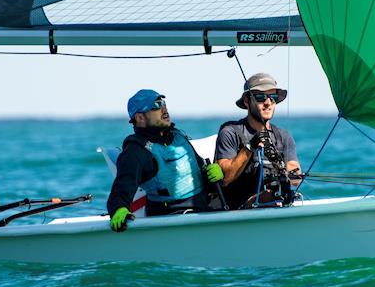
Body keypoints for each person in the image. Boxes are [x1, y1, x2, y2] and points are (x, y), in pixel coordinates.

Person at [107, 89, 224, 232]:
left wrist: (213, 174)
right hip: (170, 221)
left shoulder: (179, 137)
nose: (164, 108)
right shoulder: (136, 151)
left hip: (204, 211)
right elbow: (122, 186)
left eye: (163, 103)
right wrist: (119, 209)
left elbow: (199, 176)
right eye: (156, 105)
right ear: (140, 118)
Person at [214, 73, 301, 210]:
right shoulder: (230, 132)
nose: (268, 103)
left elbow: (295, 178)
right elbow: (226, 178)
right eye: (260, 97)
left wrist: (286, 171)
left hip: (273, 207)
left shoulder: (284, 136)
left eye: (273, 98)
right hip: (235, 212)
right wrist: (250, 147)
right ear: (247, 101)